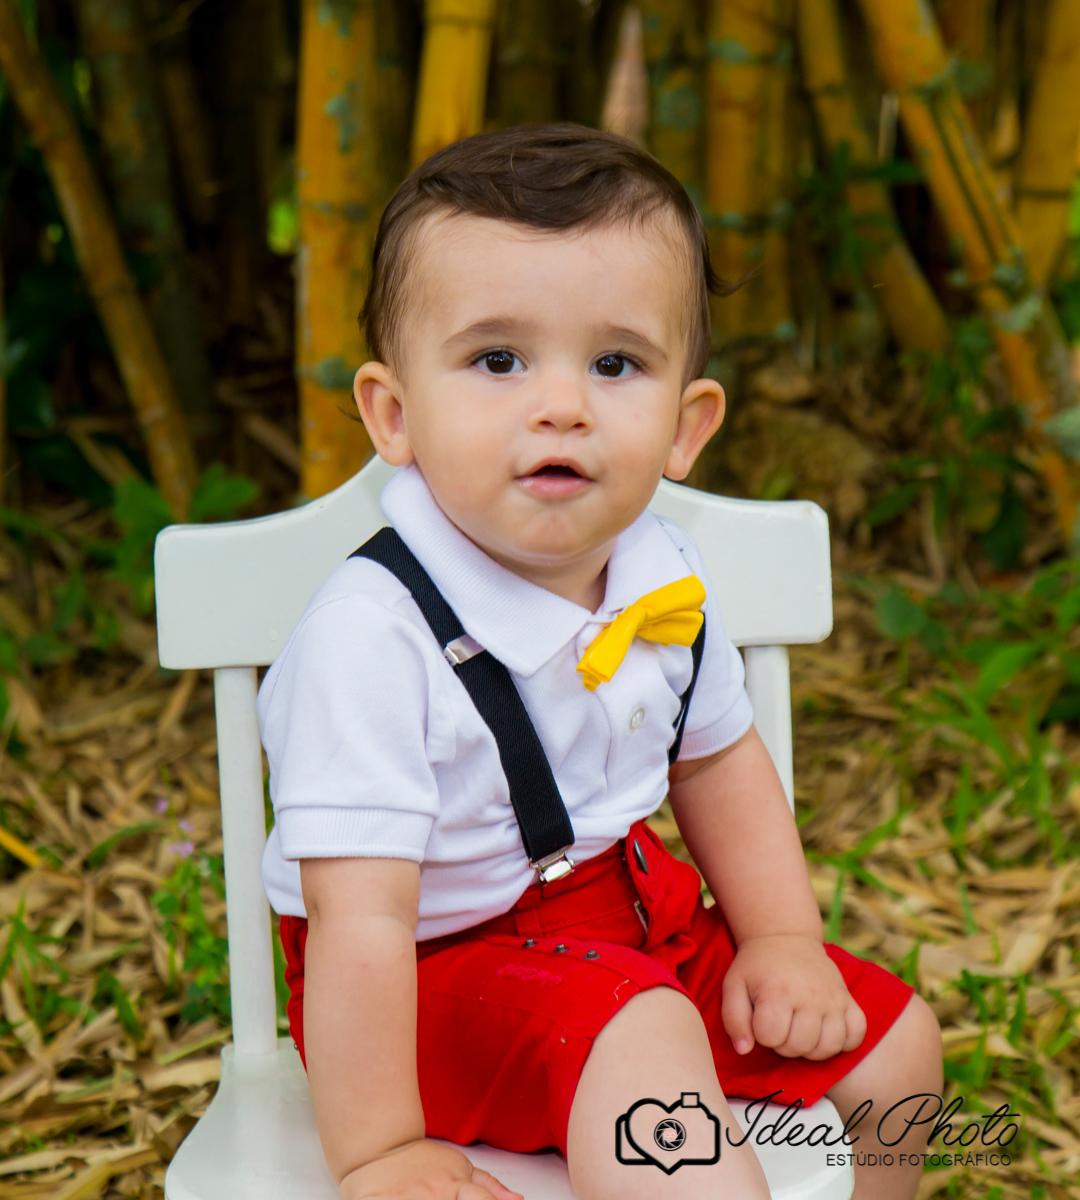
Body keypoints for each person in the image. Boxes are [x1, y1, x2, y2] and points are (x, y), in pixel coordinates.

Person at [259, 124, 943, 1200]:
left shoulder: (662, 577)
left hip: (627, 923)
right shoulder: (370, 637)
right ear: (394, 414)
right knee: (656, 1067)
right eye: (497, 360)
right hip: (430, 983)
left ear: (686, 425)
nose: (562, 404)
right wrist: (381, 1146)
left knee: (896, 1044)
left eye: (616, 363)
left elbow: (718, 763)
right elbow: (362, 920)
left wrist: (777, 940)